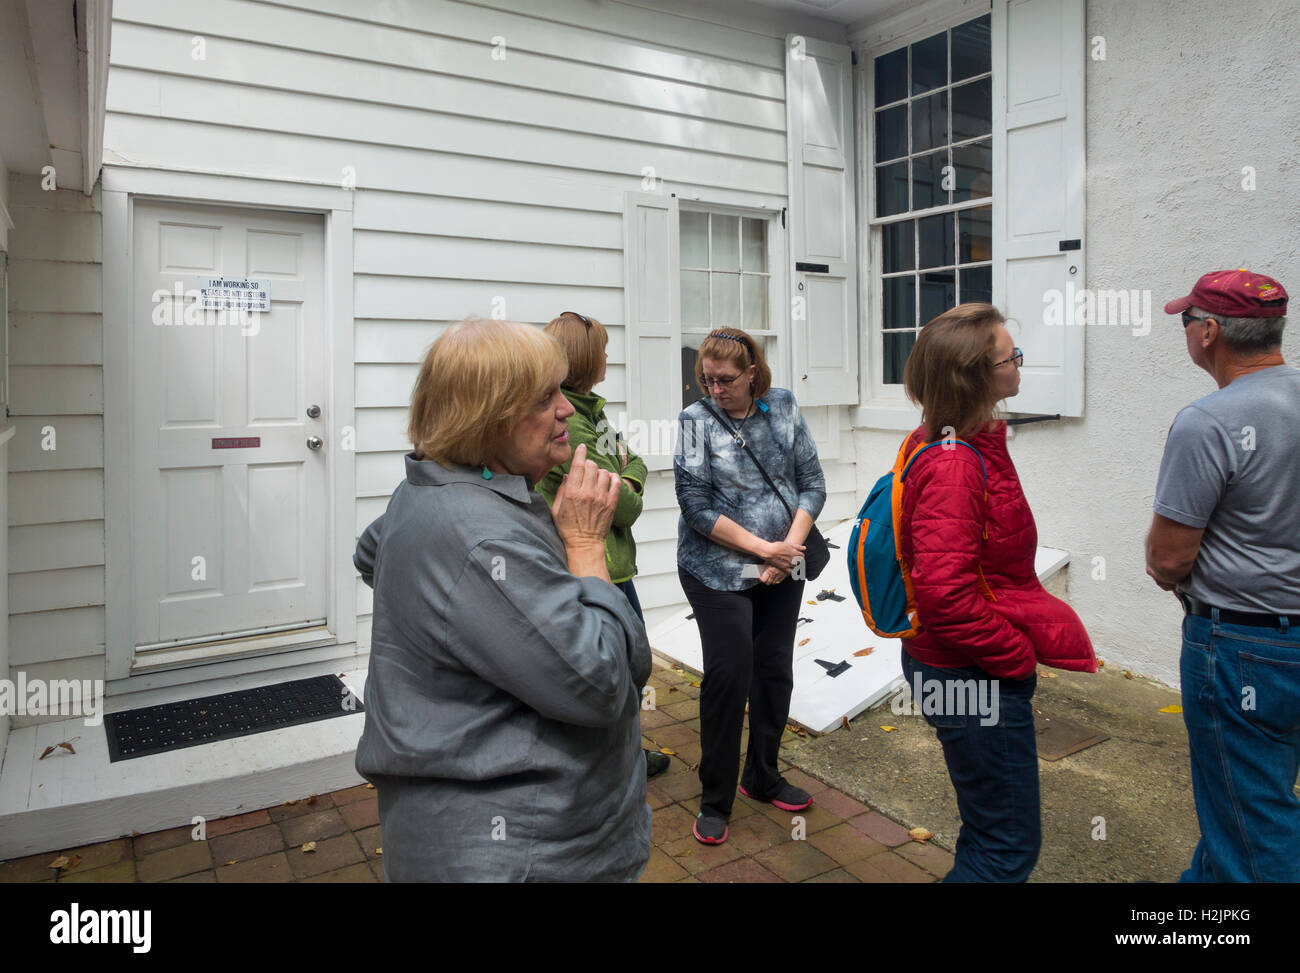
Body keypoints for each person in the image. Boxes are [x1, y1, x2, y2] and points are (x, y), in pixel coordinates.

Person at [352, 317, 651, 882]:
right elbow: (602, 684)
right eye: (545, 398)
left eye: (562, 389)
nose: (567, 409)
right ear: (488, 418)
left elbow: (372, 553)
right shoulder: (480, 536)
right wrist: (585, 546)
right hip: (519, 852)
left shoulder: (435, 487)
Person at [897, 302, 1095, 882]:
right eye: (1013, 358)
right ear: (977, 377)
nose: (1020, 366)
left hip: (958, 667)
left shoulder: (951, 442)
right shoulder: (956, 463)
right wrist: (1013, 658)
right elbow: (945, 595)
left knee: (989, 830)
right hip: (968, 674)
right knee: (1006, 847)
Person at [1147, 269, 1299, 882]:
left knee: (1255, 827)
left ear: (1209, 332)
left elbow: (1168, 560)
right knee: (1239, 804)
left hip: (1241, 648)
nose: (1185, 331)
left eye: (1187, 321)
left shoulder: (1207, 421)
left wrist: (1167, 572)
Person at [673, 327, 826, 845]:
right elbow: (695, 507)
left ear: (753, 373)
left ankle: (761, 775)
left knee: (773, 669)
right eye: (706, 380)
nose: (715, 389)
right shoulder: (695, 421)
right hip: (715, 568)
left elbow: (812, 483)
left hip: (786, 559)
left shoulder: (781, 406)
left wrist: (789, 551)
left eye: (726, 380)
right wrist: (766, 551)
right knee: (729, 671)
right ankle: (714, 797)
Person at [536, 310, 670, 778]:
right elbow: (625, 505)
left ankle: (623, 753)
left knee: (632, 666)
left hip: (615, 561)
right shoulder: (570, 426)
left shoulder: (591, 411)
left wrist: (627, 476)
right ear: (585, 358)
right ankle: (612, 762)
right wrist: (628, 481)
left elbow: (634, 463)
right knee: (620, 667)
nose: (609, 357)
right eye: (604, 350)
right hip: (592, 565)